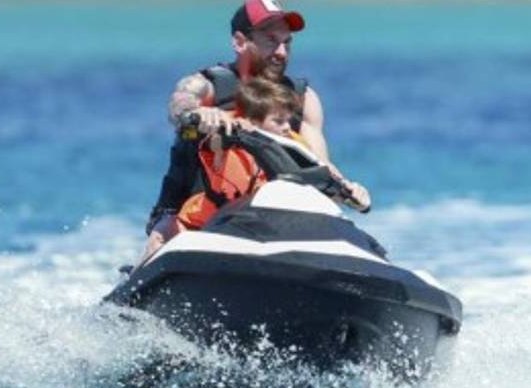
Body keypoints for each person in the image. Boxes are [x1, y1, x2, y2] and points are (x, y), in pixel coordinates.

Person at [144, 0, 330, 249]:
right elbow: (178, 106)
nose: (281, 52)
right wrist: (199, 114)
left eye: (287, 43)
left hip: (276, 216)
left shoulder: (303, 99)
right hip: (195, 214)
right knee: (161, 235)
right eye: (271, 41)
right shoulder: (208, 87)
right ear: (240, 42)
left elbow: (321, 168)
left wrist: (345, 186)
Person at [139, 78, 370, 263]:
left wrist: (356, 197)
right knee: (163, 233)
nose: (288, 127)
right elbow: (213, 141)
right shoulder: (225, 139)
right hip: (203, 228)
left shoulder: (294, 147)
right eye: (279, 121)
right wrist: (209, 120)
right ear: (253, 121)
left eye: (288, 120)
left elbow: (323, 185)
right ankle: (133, 295)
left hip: (259, 232)